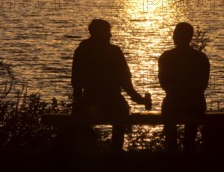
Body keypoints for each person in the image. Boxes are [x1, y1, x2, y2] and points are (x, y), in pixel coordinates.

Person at [71, 19, 147, 152]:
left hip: (89, 100)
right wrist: (138, 99)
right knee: (122, 113)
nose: (110, 35)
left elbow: (76, 81)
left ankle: (86, 151)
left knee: (80, 118)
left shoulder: (81, 51)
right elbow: (125, 82)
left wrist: (77, 102)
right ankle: (116, 151)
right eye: (108, 32)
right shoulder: (114, 52)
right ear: (100, 33)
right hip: (112, 102)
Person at [158, 22, 210, 153]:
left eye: (175, 33)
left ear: (178, 36)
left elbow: (163, 83)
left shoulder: (166, 57)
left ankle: (172, 151)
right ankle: (189, 150)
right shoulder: (201, 58)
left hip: (173, 103)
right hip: (195, 103)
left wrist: (176, 93)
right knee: (190, 133)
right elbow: (203, 85)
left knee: (170, 122)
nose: (173, 36)